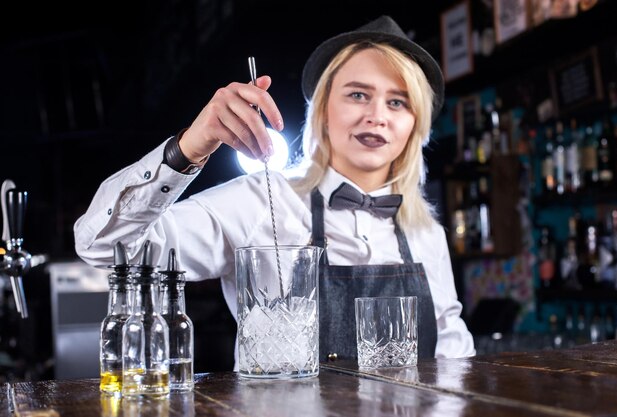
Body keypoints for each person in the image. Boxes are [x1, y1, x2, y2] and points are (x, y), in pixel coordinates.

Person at [74, 15, 475, 362]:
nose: (377, 116)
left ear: (415, 125)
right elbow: (103, 247)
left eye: (398, 102)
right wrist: (187, 149)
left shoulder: (427, 232)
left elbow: (453, 355)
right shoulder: (258, 201)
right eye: (358, 94)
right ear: (322, 110)